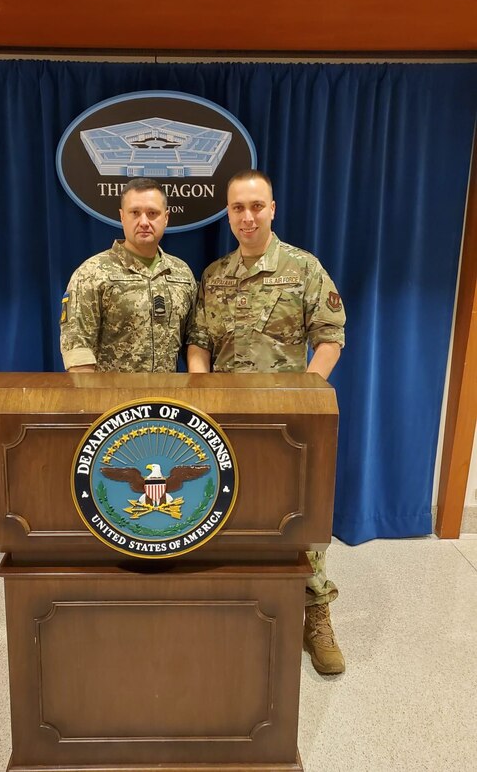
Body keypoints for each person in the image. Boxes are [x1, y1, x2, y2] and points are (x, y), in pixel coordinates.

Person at [187, 169, 346, 675]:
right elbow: (199, 343)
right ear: (228, 214)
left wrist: (303, 396)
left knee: (300, 515)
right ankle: (236, 613)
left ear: (272, 209)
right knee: (226, 516)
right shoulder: (214, 275)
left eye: (257, 206)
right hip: (224, 422)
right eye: (238, 208)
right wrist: (203, 394)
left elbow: (330, 338)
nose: (248, 216)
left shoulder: (303, 268)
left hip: (287, 424)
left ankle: (316, 615)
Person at [60, 177, 197, 372]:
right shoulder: (92, 273)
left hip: (167, 391)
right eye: (135, 213)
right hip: (111, 392)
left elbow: (194, 340)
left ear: (166, 217)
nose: (144, 222)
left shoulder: (181, 273)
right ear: (122, 216)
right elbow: (77, 348)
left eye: (152, 213)